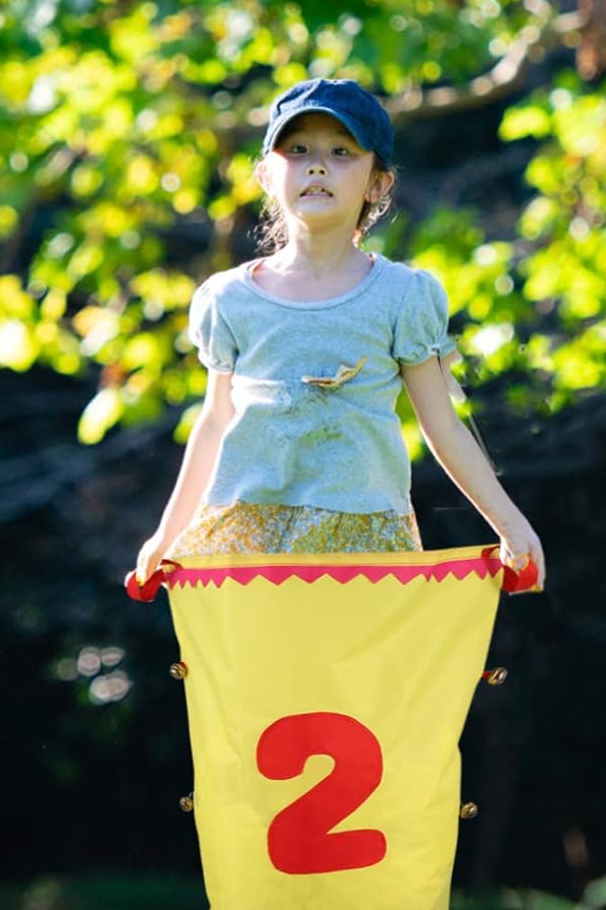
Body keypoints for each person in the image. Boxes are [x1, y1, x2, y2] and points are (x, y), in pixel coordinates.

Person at [133, 77, 545, 586]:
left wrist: (511, 525)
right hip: (245, 542)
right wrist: (165, 536)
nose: (317, 166)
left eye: (341, 152)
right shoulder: (229, 299)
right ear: (266, 175)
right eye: (298, 150)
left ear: (378, 184)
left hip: (362, 540)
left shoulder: (401, 296)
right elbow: (216, 422)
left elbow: (442, 425)